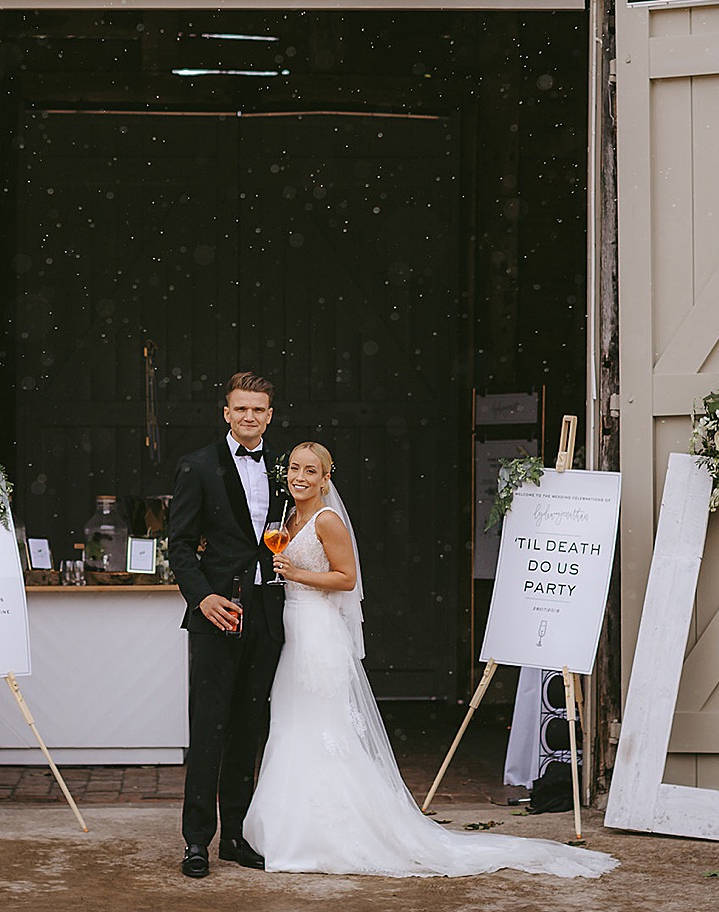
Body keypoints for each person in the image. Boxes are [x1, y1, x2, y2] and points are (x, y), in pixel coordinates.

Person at [241, 441, 618, 879]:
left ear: (327, 477)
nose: (299, 477)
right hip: (292, 630)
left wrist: (297, 573)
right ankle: (287, 827)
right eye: (293, 469)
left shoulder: (327, 520)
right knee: (292, 726)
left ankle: (331, 833)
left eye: (310, 470)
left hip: (318, 635)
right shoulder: (289, 516)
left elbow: (347, 579)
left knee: (324, 729)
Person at [166, 372, 289, 878]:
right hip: (217, 614)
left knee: (248, 729)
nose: (249, 417)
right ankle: (197, 841)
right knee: (209, 728)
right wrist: (204, 598)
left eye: (258, 409)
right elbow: (178, 547)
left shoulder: (285, 471)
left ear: (270, 415)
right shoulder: (197, 467)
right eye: (240, 409)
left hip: (267, 613)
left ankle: (235, 837)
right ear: (226, 413)